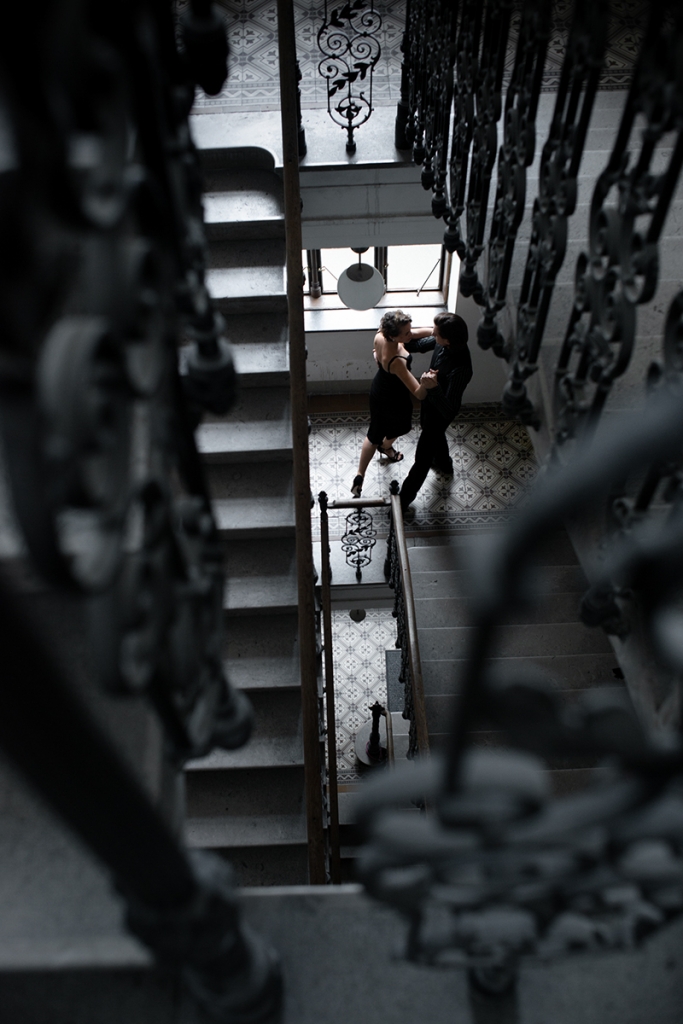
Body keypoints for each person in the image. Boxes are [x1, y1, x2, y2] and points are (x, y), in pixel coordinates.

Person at [351, 310, 439, 497]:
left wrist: (434, 331)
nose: (410, 334)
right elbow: (418, 393)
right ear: (393, 336)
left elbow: (380, 350)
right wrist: (427, 383)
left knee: (374, 432)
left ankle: (360, 475)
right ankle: (385, 446)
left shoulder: (380, 334)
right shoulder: (397, 360)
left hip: (378, 389)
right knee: (401, 426)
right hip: (394, 396)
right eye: (405, 333)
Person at [399, 311, 473, 512]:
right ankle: (444, 465)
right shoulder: (443, 342)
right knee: (435, 436)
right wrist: (397, 340)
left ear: (447, 339)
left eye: (436, 332)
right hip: (429, 407)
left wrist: (434, 388)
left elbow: (450, 409)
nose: (432, 333)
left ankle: (403, 501)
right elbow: (418, 345)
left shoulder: (462, 368)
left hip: (440, 415)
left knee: (422, 460)